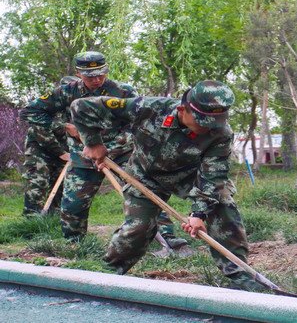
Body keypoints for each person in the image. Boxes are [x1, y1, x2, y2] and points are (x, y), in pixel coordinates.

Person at [71, 80, 260, 291]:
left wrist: (198, 213)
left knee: (223, 204)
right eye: (201, 122)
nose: (207, 129)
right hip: (144, 175)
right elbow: (81, 107)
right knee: (139, 227)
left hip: (189, 176)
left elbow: (214, 175)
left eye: (213, 123)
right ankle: (107, 274)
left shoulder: (221, 133)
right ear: (182, 110)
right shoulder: (147, 108)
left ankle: (242, 276)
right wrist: (93, 142)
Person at [20, 52, 184, 248]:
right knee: (73, 205)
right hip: (84, 154)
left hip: (122, 153)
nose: (97, 80)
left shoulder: (122, 91)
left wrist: (110, 148)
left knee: (145, 193)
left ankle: (169, 238)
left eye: (101, 74)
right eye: (90, 76)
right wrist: (64, 126)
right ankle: (75, 245)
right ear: (79, 73)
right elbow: (30, 111)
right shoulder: (66, 92)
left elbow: (138, 125)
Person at [21, 76, 77, 216]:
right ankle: (31, 220)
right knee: (38, 182)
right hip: (39, 151)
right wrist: (61, 153)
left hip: (64, 152)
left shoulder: (75, 109)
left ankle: (54, 217)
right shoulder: (47, 106)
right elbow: (40, 131)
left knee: (61, 185)